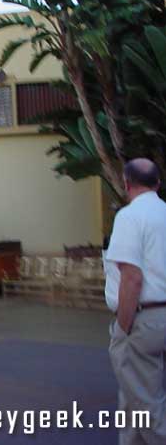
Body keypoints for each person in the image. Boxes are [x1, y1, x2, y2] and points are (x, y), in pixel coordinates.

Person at [105, 158, 166, 445]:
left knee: (147, 404)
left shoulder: (130, 217)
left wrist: (122, 326)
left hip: (143, 319)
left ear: (127, 184)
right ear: (158, 183)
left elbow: (132, 278)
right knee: (132, 397)